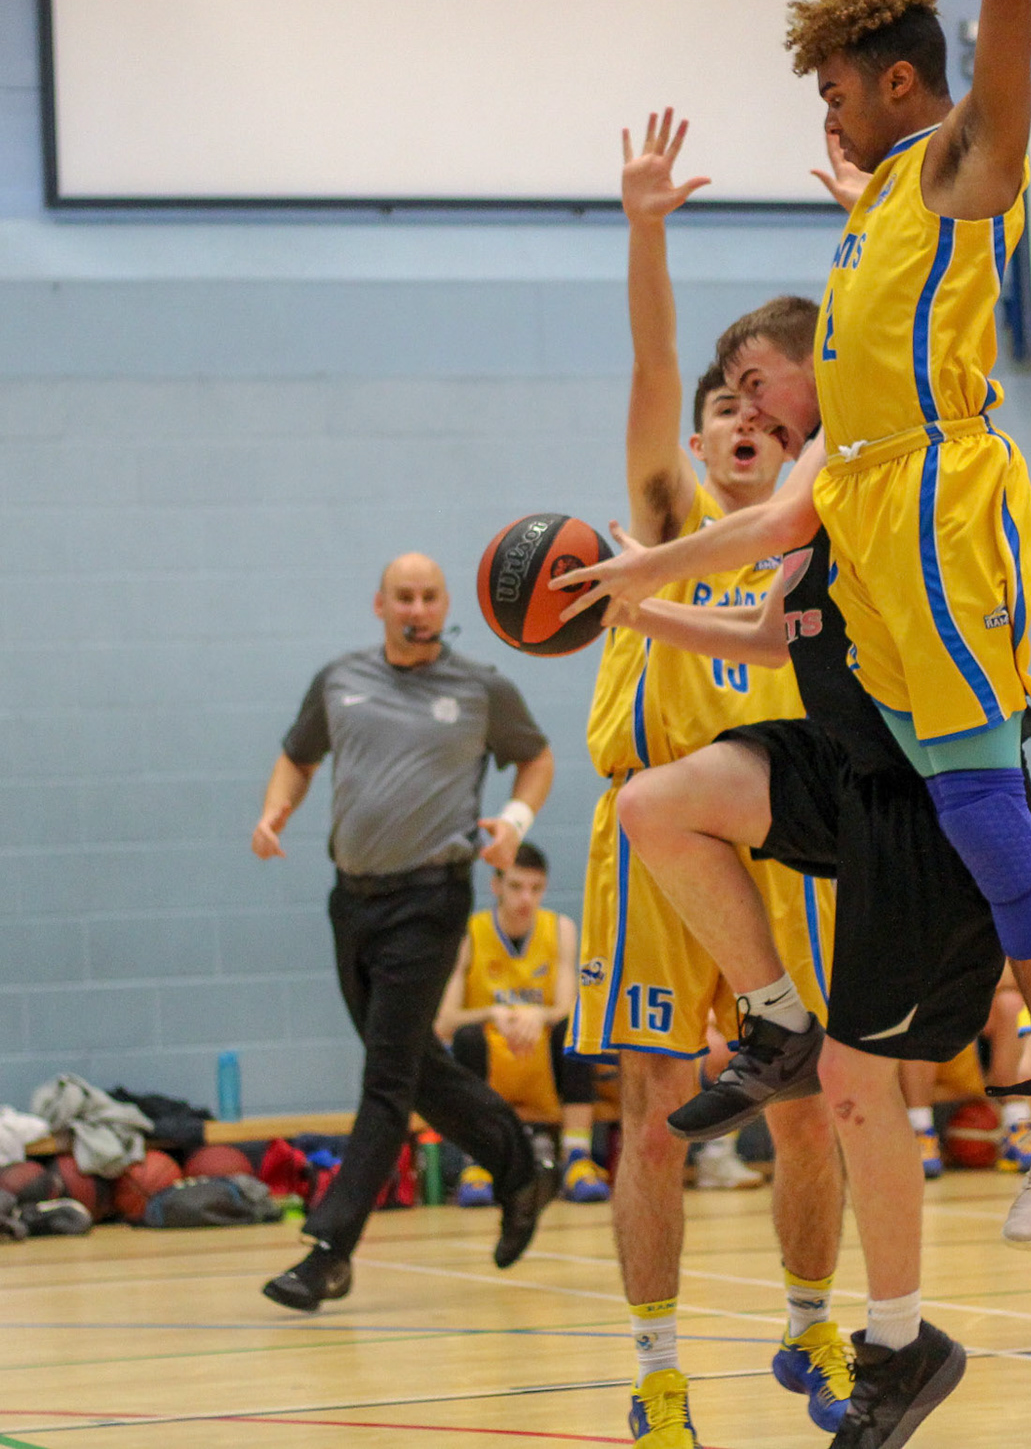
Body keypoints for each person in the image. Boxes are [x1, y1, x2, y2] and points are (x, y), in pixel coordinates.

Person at [561, 0, 1031, 1263]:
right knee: (969, 809)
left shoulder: (964, 168)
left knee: (981, 809)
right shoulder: (879, 194)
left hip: (946, 501)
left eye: (840, 91)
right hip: (886, 517)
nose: (824, 116)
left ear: (903, 86)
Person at [565, 116, 847, 1448]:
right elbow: (654, 362)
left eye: (756, 406)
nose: (737, 416)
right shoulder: (665, 526)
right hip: (648, 836)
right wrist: (646, 233)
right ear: (692, 443)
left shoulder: (812, 540)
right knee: (653, 1114)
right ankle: (659, 1374)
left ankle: (813, 1326)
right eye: (719, 408)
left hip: (779, 833)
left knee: (812, 1100)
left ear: (788, 436)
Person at [251, 552, 558, 1310]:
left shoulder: (481, 688)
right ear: (380, 605)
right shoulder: (340, 680)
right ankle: (521, 1166)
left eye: (429, 597)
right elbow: (297, 757)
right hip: (353, 901)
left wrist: (515, 822)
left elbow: (536, 759)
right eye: (404, 597)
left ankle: (329, 1252)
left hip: (430, 899)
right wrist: (274, 810)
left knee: (387, 1078)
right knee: (412, 1064)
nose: (417, 609)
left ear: (445, 604)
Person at [431, 841, 610, 1206]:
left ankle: (577, 1158)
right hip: (492, 1062)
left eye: (535, 888)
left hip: (542, 1064)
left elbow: (566, 1005)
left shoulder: (559, 929)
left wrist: (537, 1014)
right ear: (496, 885)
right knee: (466, 1037)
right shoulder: (470, 933)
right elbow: (444, 1021)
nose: (526, 898)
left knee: (574, 1030)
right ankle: (476, 1162)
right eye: (516, 886)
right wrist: (493, 1014)